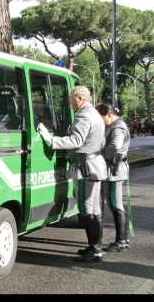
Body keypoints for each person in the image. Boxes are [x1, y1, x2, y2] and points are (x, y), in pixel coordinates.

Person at [37, 85, 107, 262]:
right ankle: (95, 246)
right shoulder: (95, 114)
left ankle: (95, 250)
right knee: (94, 209)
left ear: (79, 99)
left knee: (86, 210)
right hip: (93, 166)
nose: (69, 101)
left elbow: (76, 140)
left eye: (71, 98)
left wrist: (50, 139)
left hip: (85, 168)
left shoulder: (84, 115)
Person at [96, 103, 131, 252]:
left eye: (101, 118)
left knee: (116, 205)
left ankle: (121, 241)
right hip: (111, 168)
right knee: (114, 204)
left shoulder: (118, 127)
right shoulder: (114, 125)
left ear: (109, 115)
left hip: (114, 170)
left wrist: (100, 155)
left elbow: (115, 146)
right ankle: (123, 238)